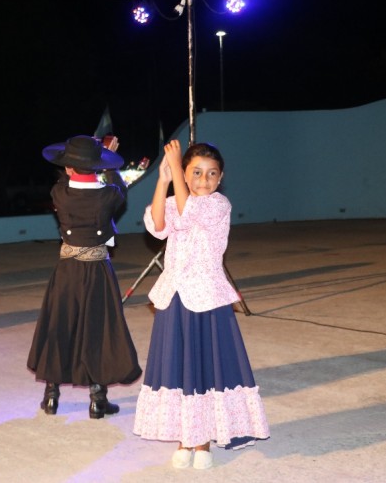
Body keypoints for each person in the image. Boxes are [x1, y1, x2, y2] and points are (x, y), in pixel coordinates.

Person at [133, 140, 269, 470]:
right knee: (181, 369)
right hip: (176, 298)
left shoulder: (218, 205)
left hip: (207, 301)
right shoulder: (176, 197)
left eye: (211, 174)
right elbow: (157, 225)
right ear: (184, 174)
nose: (203, 180)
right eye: (195, 173)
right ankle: (184, 438)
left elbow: (189, 209)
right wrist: (164, 178)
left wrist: (178, 167)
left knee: (207, 369)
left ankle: (204, 440)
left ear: (220, 179)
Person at [27, 135, 142, 418]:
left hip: (66, 271)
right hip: (97, 270)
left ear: (68, 168)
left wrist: (88, 160)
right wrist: (108, 162)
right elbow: (118, 186)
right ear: (97, 165)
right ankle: (97, 399)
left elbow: (70, 180)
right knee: (97, 328)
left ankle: (51, 396)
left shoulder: (59, 193)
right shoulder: (109, 195)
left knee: (59, 325)